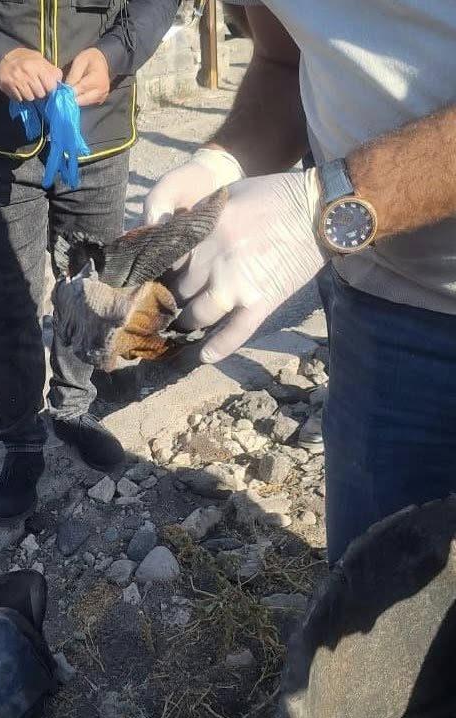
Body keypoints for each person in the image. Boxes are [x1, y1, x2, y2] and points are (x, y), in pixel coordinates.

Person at [145, 1, 456, 565]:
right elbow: (284, 59)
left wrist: (328, 203)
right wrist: (223, 162)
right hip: (382, 307)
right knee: (373, 584)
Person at [0, 0, 179, 521]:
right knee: (10, 301)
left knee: (91, 289)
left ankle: (74, 408)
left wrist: (115, 52)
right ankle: (22, 441)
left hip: (97, 133)